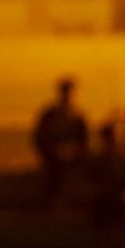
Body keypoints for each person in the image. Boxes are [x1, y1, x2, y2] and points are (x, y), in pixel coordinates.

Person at [32, 77, 88, 208]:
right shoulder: (49, 115)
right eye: (66, 92)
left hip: (74, 159)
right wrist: (53, 151)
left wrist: (73, 151)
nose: (69, 96)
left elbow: (84, 140)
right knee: (54, 178)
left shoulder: (78, 116)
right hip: (53, 158)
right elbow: (40, 137)